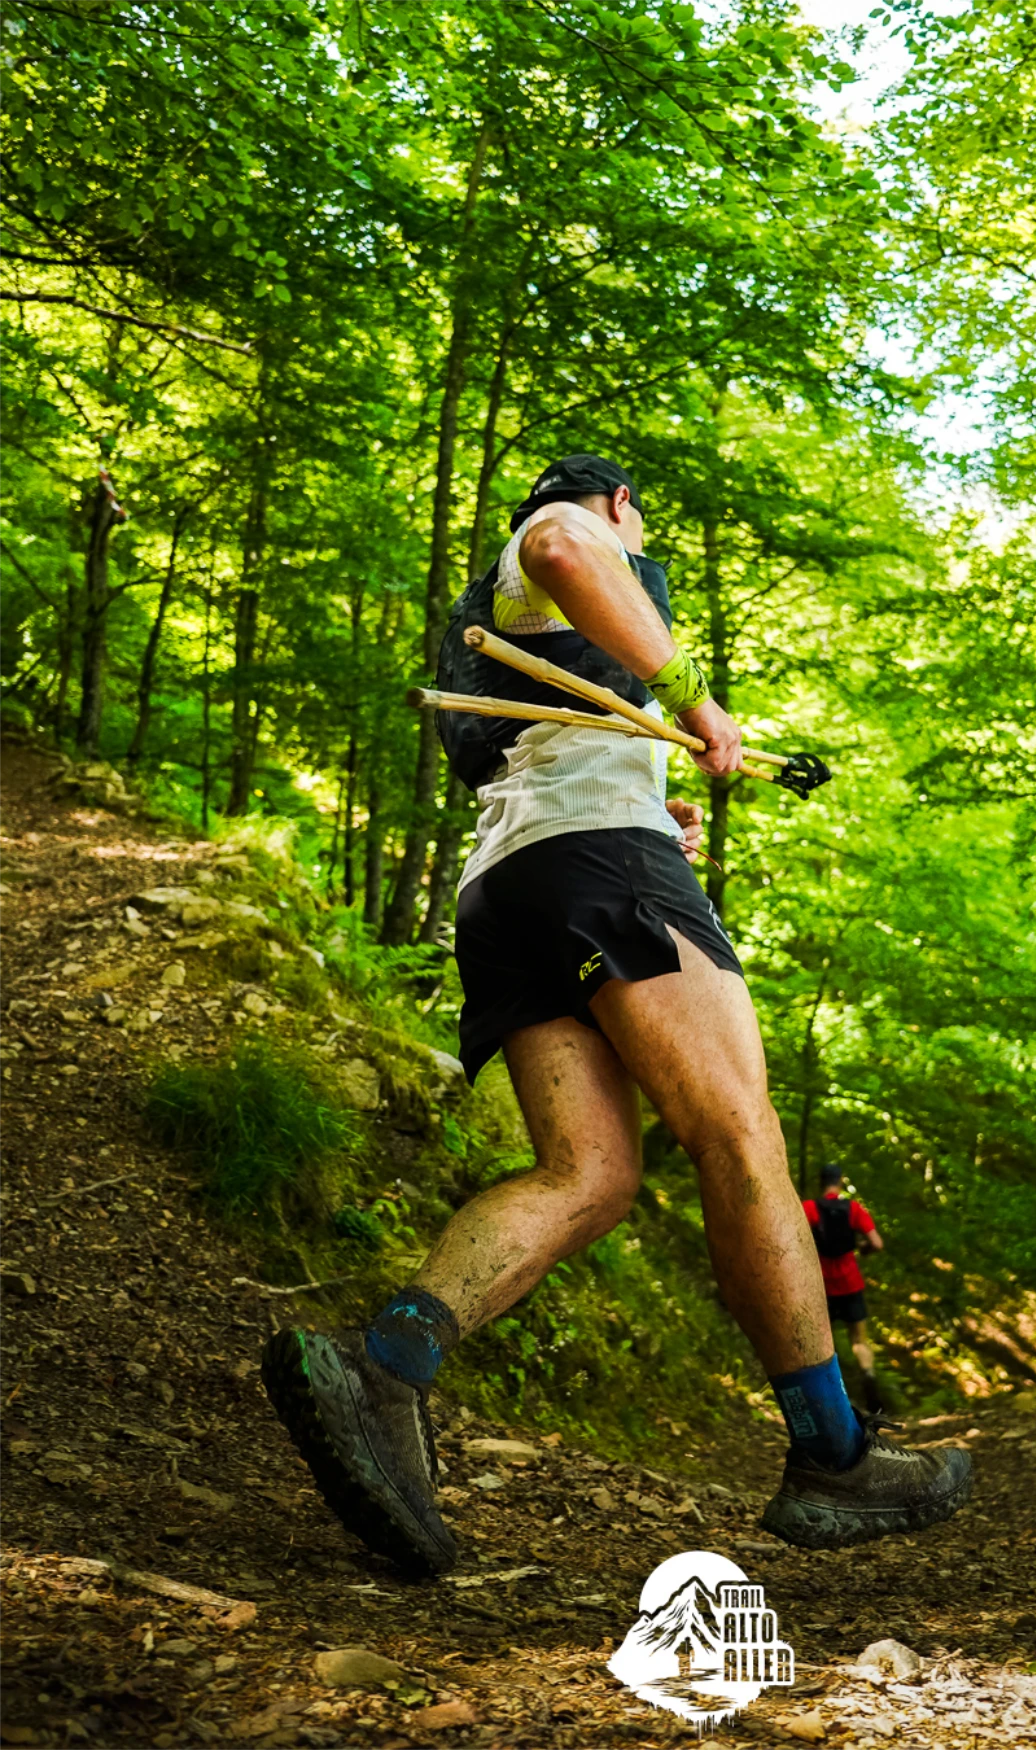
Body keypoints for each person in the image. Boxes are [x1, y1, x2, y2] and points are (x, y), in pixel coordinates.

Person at [261, 453, 971, 1572]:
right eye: (634, 527)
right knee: (740, 1134)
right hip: (598, 866)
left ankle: (383, 1367)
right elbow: (562, 546)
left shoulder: (501, 622)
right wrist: (693, 697)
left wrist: (649, 799)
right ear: (623, 505)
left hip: (512, 882)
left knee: (589, 1176)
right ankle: (833, 1452)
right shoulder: (565, 526)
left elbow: (550, 745)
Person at [804, 1163, 884, 1412]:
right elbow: (877, 1243)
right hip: (850, 1281)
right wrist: (864, 1250)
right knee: (859, 1340)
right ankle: (868, 1377)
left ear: (821, 1182)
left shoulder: (809, 1208)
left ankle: (831, 1394)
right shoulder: (853, 1209)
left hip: (821, 1284)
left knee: (823, 1341)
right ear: (839, 1181)